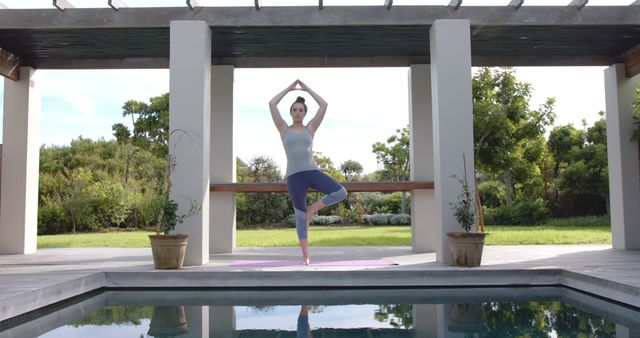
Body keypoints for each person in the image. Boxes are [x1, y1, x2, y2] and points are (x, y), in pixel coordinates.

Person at [269, 79, 347, 265]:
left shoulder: (310, 128)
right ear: (291, 113)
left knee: (341, 192)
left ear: (304, 113)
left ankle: (314, 208)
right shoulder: (283, 129)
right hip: (294, 178)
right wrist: (289, 89)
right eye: (295, 110)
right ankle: (305, 256)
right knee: (300, 217)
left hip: (311, 171)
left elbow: (324, 105)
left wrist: (307, 89)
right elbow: (272, 104)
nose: (298, 112)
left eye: (301, 110)